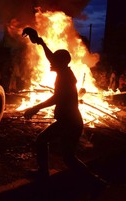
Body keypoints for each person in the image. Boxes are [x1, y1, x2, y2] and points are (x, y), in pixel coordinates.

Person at [21, 27, 107, 187]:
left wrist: (35, 108)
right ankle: (95, 181)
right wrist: (40, 42)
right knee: (66, 156)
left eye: (55, 61)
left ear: (61, 62)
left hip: (69, 123)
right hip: (70, 121)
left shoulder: (65, 77)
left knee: (47, 144)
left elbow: (57, 97)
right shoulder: (63, 72)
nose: (50, 63)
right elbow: (51, 57)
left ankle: (93, 181)